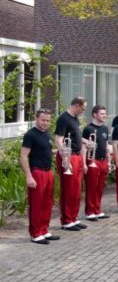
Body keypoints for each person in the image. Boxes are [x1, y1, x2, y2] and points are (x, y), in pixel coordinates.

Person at [21, 109, 60, 244]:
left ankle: (44, 230)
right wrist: (29, 176)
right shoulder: (30, 135)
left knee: (47, 203)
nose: (45, 123)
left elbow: (46, 151)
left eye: (48, 121)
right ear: (36, 118)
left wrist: (60, 151)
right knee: (36, 204)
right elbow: (24, 156)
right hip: (36, 173)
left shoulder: (47, 133)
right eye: (43, 120)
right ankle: (35, 233)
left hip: (48, 172)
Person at [55, 96, 88, 231]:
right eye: (82, 108)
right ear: (76, 105)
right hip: (68, 157)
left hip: (77, 156)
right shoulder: (63, 118)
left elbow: (76, 138)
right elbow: (58, 139)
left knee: (76, 190)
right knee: (68, 189)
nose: (83, 111)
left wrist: (86, 142)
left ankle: (73, 218)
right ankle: (67, 220)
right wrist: (65, 158)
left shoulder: (74, 119)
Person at [82, 105, 111, 221]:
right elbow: (83, 147)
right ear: (95, 114)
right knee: (91, 187)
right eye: (102, 114)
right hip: (92, 161)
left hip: (103, 161)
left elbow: (106, 146)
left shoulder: (104, 128)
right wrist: (84, 163)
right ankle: (90, 212)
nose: (104, 115)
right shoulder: (88, 129)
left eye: (105, 113)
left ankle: (97, 210)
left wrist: (109, 162)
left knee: (100, 187)